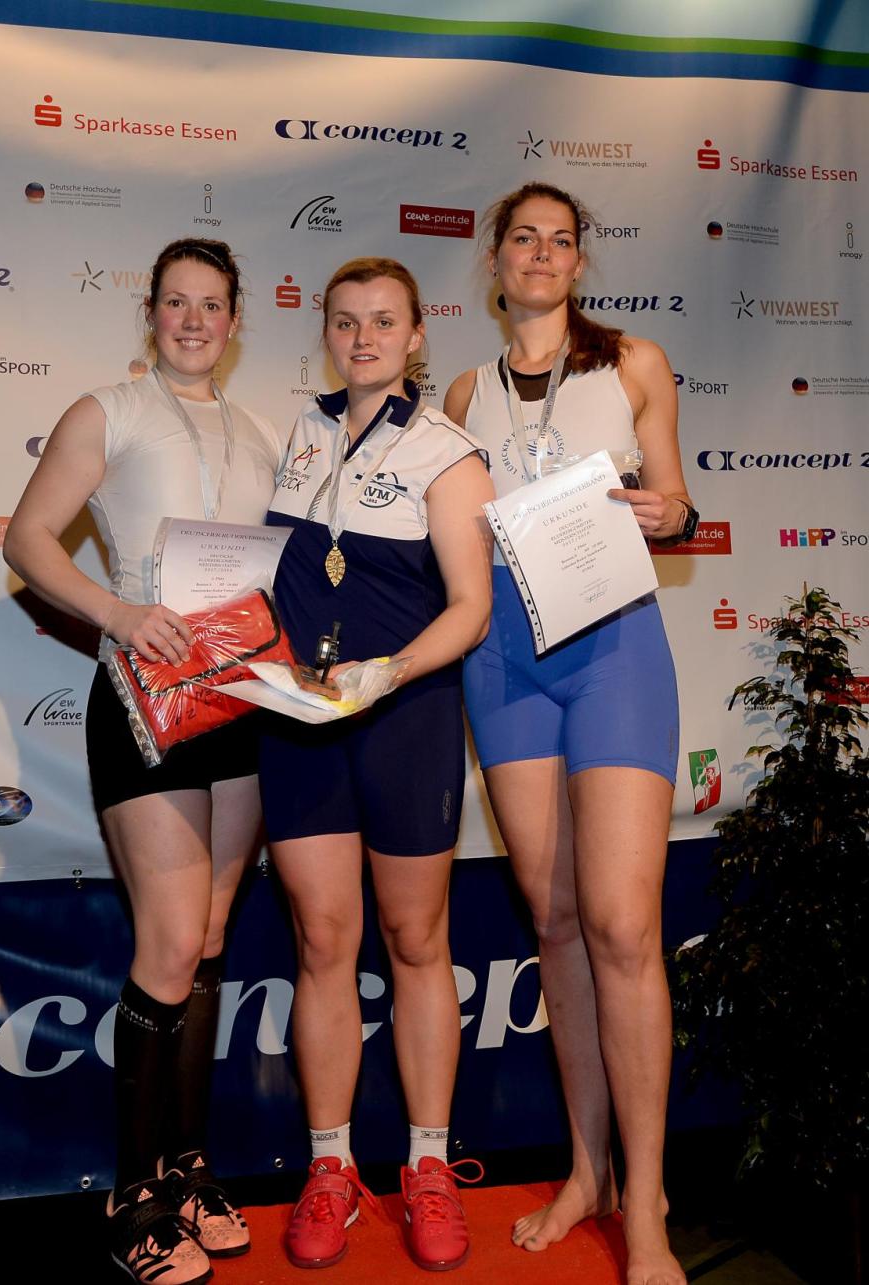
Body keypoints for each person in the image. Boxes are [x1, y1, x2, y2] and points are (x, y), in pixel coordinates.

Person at [3, 238, 282, 1285]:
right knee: (167, 943)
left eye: (211, 305)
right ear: (151, 313)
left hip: (243, 699)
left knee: (206, 938)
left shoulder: (259, 433)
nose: (193, 320)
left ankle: (187, 1166)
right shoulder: (107, 412)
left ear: (235, 320)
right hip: (143, 696)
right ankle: (132, 1194)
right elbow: (28, 539)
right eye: (176, 302)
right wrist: (118, 613)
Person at [444, 182, 697, 1285]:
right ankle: (587, 1169)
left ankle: (646, 1202)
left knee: (621, 926)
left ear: (579, 262)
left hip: (612, 648)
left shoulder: (632, 363)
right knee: (553, 922)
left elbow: (677, 499)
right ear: (495, 261)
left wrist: (670, 512)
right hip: (504, 659)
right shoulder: (463, 392)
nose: (541, 255)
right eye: (523, 239)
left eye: (560, 241)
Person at [260, 258, 494, 1272]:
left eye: (383, 322)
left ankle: (429, 1165)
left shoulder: (448, 451)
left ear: (415, 336)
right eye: (346, 321)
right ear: (326, 333)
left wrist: (388, 671)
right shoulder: (293, 434)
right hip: (299, 718)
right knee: (321, 938)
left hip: (405, 716)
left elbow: (471, 607)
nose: (363, 338)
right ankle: (329, 1167)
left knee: (413, 936)